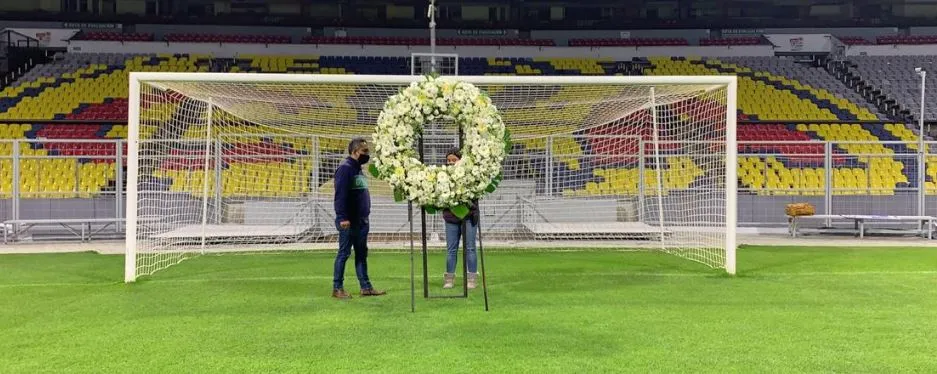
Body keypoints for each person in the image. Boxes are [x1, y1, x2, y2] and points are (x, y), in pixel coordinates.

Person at [331, 137, 386, 299]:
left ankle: (366, 287)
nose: (367, 154)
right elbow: (340, 195)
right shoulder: (345, 169)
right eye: (364, 151)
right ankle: (337, 287)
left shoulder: (357, 169)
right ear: (355, 152)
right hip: (349, 221)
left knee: (361, 253)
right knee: (344, 253)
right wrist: (342, 217)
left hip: (361, 220)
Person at [441, 148, 480, 289]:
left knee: (470, 248)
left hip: (469, 217)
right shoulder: (442, 176)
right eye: (449, 160)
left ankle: (471, 279)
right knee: (451, 249)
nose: (451, 163)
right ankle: (449, 279)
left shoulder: (469, 174)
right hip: (451, 218)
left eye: (454, 160)